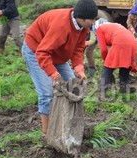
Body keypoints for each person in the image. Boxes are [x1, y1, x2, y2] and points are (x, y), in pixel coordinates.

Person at [21, 0, 98, 136]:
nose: (93, 22)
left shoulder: (83, 27)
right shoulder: (61, 25)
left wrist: (79, 68)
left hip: (57, 54)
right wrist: (54, 75)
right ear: (81, 18)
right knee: (47, 93)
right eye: (91, 20)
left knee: (73, 87)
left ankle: (67, 122)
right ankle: (47, 133)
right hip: (36, 51)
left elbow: (78, 49)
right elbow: (43, 52)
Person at [95, 22, 137, 95]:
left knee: (107, 68)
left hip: (120, 40)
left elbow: (103, 50)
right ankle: (124, 86)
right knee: (125, 63)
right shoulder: (117, 26)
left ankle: (102, 92)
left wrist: (105, 61)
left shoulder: (99, 29)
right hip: (133, 42)